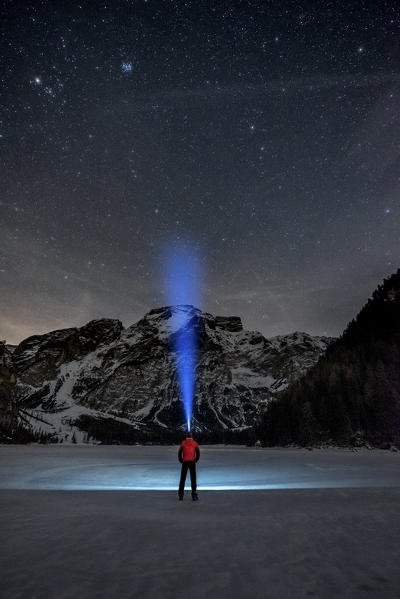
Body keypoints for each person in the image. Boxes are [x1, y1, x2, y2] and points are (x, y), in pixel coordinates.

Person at [178, 431, 200, 501]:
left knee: (182, 479)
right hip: (192, 462)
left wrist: (181, 460)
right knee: (193, 479)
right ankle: (194, 495)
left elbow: (179, 453)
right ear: (191, 436)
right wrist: (196, 460)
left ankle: (180, 495)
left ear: (186, 436)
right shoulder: (195, 443)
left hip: (185, 462)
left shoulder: (183, 443)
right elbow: (198, 452)